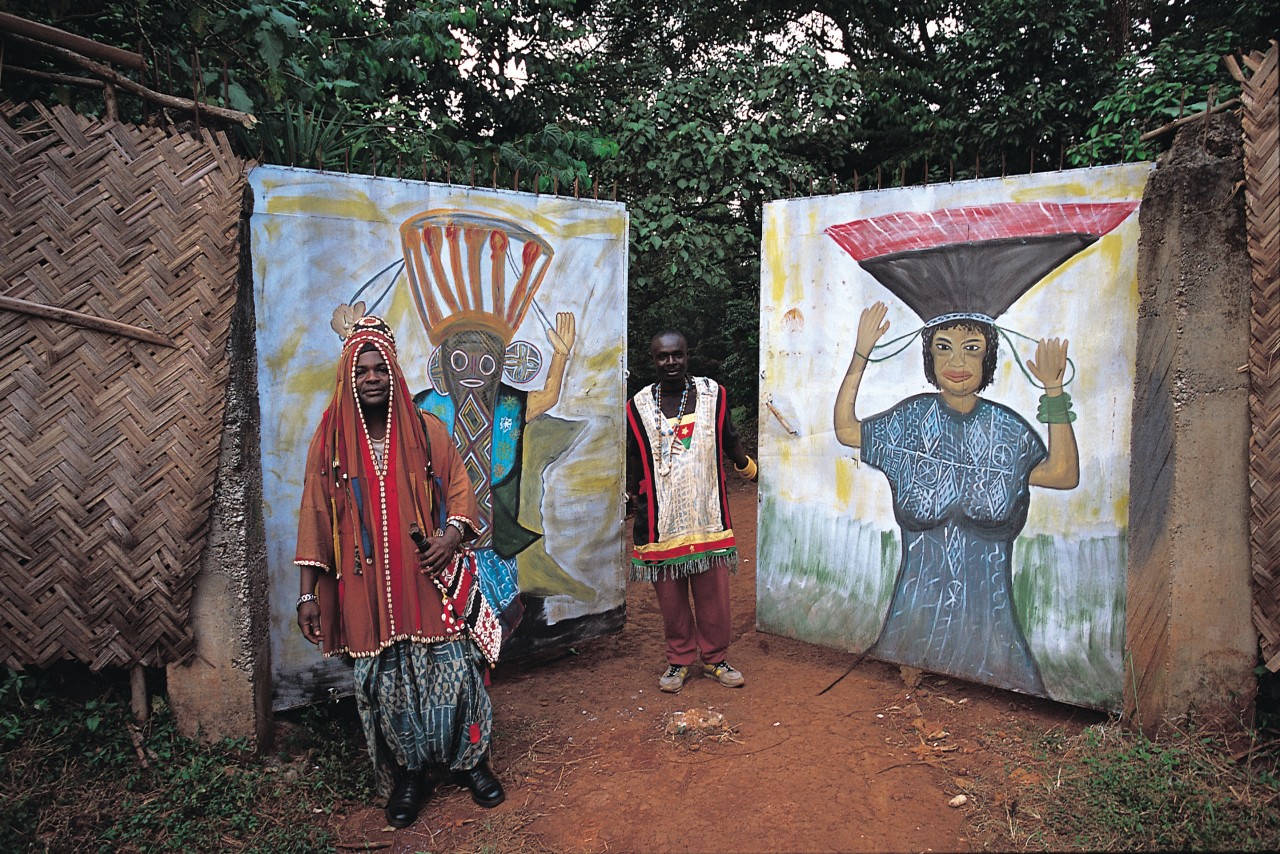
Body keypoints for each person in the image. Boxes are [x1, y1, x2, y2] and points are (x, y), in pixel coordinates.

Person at [294, 309, 506, 829]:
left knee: (456, 674)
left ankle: (472, 762)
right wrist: (307, 595)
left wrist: (449, 537)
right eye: (361, 370)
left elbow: (460, 488)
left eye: (380, 369)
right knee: (386, 685)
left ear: (394, 373)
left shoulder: (428, 430)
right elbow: (316, 516)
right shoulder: (330, 443)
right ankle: (409, 775)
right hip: (367, 592)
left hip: (428, 580)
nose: (371, 379)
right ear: (348, 375)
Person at [833, 302, 1079, 695]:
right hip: (910, 630)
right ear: (929, 357)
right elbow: (847, 429)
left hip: (994, 638)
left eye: (972, 348)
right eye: (943, 347)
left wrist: (1053, 390)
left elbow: (1064, 473)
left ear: (989, 357)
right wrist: (862, 352)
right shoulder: (909, 421)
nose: (957, 361)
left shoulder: (1008, 430)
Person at [625, 330, 757, 693]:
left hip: (706, 512)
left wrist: (746, 466)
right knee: (670, 597)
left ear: (687, 356)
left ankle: (716, 659)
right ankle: (679, 660)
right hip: (660, 518)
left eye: (676, 355)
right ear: (653, 360)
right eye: (662, 357)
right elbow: (635, 454)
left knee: (714, 594)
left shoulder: (713, 394)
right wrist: (630, 494)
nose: (670, 362)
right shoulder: (637, 405)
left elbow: (729, 437)